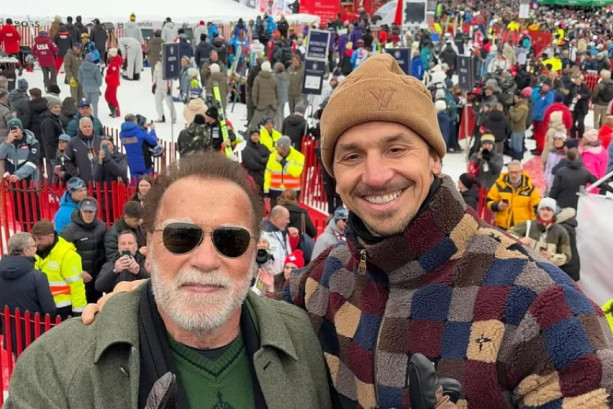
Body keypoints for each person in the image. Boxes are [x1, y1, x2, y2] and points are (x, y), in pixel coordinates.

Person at [6, 152, 332, 409]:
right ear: (149, 249)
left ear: (253, 252)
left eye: (231, 240)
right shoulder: (56, 366)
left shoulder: (304, 339)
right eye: (181, 236)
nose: (206, 261)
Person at [0, 233, 56, 353]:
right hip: (35, 336)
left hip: (11, 335)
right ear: (25, 250)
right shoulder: (38, 277)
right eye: (34, 246)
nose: (36, 248)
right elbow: (49, 310)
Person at [31, 219, 86, 317]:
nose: (37, 243)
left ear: (51, 236)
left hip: (62, 308)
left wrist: (78, 312)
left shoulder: (67, 255)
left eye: (40, 239)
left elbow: (77, 286)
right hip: (42, 305)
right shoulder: (37, 251)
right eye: (35, 239)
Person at [60, 197, 107, 303]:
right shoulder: (69, 230)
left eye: (91, 211)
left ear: (96, 212)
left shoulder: (102, 227)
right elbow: (61, 255)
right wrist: (79, 272)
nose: (88, 214)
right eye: (85, 211)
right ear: (80, 211)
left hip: (97, 278)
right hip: (78, 279)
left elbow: (105, 251)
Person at [508, 197, 572, 267]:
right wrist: (519, 241)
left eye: (549, 210)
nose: (545, 212)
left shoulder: (561, 231)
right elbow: (506, 235)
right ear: (538, 211)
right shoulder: (527, 225)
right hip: (524, 266)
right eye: (543, 209)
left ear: (554, 212)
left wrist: (551, 257)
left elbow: (567, 257)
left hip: (548, 269)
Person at [487, 160, 541, 230]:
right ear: (508, 172)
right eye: (511, 172)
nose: (513, 175)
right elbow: (489, 201)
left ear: (521, 172)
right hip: (502, 227)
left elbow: (536, 209)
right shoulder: (499, 185)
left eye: (516, 172)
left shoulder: (530, 188)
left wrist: (532, 227)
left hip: (521, 229)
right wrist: (497, 206)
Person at [95, 230, 148, 294]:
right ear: (118, 247)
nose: (126, 247)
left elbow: (154, 283)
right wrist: (115, 271)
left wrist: (139, 272)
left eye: (130, 243)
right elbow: (99, 287)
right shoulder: (110, 265)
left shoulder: (146, 263)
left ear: (136, 246)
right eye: (123, 244)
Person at [264, 135, 305, 204]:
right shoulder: (272, 156)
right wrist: (266, 191)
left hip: (292, 192)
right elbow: (268, 174)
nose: (276, 147)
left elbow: (296, 172)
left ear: (284, 148)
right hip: (275, 191)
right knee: (276, 210)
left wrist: (283, 162)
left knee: (290, 210)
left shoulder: (299, 156)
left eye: (278, 146)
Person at [0, 118, 41, 184]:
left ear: (21, 129)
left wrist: (18, 175)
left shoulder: (32, 142)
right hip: (11, 181)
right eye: (11, 129)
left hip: (29, 181)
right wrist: (7, 142)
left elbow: (32, 162)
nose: (14, 131)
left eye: (16, 128)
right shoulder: (7, 143)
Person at [63, 117, 103, 183]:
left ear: (92, 127)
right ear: (80, 128)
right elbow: (67, 161)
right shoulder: (73, 142)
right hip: (82, 180)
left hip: (100, 181)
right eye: (84, 127)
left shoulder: (100, 140)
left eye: (89, 126)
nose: (87, 129)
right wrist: (75, 174)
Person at [261, 205, 292, 288]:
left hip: (282, 280)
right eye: (286, 218)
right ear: (278, 218)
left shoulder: (283, 232)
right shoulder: (263, 235)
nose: (288, 221)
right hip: (267, 281)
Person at [119, 114, 159, 179]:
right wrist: (152, 130)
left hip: (132, 162)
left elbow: (135, 141)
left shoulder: (122, 134)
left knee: (134, 181)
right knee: (147, 181)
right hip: (144, 162)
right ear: (135, 120)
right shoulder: (140, 131)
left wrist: (144, 128)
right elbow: (153, 142)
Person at [249, 61, 278, 130]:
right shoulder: (274, 78)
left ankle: (249, 132)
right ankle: (271, 133)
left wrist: (255, 103)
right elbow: (277, 91)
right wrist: (276, 100)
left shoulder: (258, 78)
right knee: (271, 121)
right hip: (272, 103)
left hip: (261, 103)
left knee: (255, 120)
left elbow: (254, 92)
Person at [40, 97, 64, 179]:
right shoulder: (48, 121)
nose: (58, 109)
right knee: (56, 175)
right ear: (50, 108)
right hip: (53, 153)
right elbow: (50, 139)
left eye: (59, 107)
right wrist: (62, 142)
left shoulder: (55, 119)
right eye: (55, 107)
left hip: (56, 152)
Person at [241, 128, 270, 194]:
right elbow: (251, 165)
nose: (256, 137)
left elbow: (270, 158)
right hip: (254, 176)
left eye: (257, 135)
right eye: (254, 135)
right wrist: (264, 166)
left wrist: (261, 160)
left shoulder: (264, 147)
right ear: (250, 136)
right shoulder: (247, 150)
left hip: (266, 174)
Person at [567, 74, 590, 139]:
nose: (577, 80)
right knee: (572, 122)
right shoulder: (572, 86)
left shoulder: (585, 87)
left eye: (579, 79)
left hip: (581, 108)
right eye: (576, 79)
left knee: (580, 122)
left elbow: (588, 95)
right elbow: (569, 95)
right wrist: (569, 102)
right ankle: (572, 136)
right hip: (573, 107)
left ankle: (580, 135)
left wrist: (581, 96)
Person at [507, 92, 529, 160]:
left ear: (520, 98)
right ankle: (514, 160)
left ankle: (517, 160)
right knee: (513, 145)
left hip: (518, 129)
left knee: (517, 146)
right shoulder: (518, 105)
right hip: (515, 128)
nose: (514, 99)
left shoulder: (522, 107)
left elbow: (516, 117)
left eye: (515, 97)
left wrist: (511, 110)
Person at [104, 48, 122, 118]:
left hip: (112, 83)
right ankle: (113, 109)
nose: (108, 57)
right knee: (107, 96)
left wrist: (107, 78)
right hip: (111, 82)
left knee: (111, 97)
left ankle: (116, 111)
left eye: (109, 55)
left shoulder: (114, 64)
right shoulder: (113, 63)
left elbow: (113, 75)